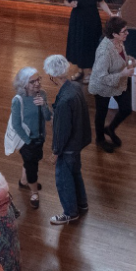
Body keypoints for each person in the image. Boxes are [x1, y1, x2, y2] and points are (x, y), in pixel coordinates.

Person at [44, 54, 91, 225]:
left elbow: (62, 131)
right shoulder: (76, 87)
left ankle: (70, 212)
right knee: (76, 174)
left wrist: (56, 152)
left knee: (63, 180)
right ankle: (82, 204)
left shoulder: (64, 100)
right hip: (78, 142)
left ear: (52, 77)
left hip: (68, 147)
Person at [88, 17, 136, 152]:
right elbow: (101, 77)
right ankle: (100, 139)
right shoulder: (104, 52)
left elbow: (120, 56)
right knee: (101, 114)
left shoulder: (119, 42)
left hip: (116, 83)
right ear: (114, 34)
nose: (127, 33)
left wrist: (129, 59)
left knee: (126, 109)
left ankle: (110, 129)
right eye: (124, 31)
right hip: (102, 87)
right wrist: (123, 74)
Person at [9, 68, 51, 209]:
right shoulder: (18, 100)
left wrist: (44, 105)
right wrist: (27, 142)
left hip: (39, 138)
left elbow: (47, 117)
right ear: (24, 84)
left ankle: (23, 181)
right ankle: (34, 192)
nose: (37, 83)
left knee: (31, 161)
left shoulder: (42, 94)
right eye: (32, 81)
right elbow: (16, 124)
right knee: (33, 168)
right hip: (27, 141)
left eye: (38, 79)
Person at [62, 0, 114, 80]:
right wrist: (70, 4)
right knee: (78, 44)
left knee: (90, 45)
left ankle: (89, 72)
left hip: (92, 20)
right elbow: (66, 0)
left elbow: (101, 2)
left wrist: (110, 14)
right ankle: (81, 71)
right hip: (77, 21)